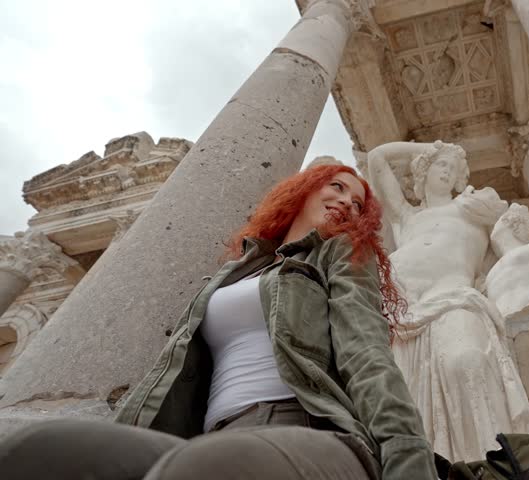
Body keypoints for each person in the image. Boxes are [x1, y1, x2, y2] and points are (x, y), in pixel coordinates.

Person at [0, 164, 437, 480]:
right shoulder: (235, 271)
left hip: (304, 425)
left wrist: (406, 453)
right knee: (44, 452)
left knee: (208, 470)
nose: (345, 201)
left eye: (357, 202)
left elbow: (367, 354)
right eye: (336, 186)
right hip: (207, 434)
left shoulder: (339, 254)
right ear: (302, 190)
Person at [366, 141, 529, 463]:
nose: (447, 172)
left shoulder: (475, 205)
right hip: (402, 313)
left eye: (453, 169)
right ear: (424, 169)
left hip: (455, 299)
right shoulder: (406, 217)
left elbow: (509, 233)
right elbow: (377, 158)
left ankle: (488, 465)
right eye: (440, 165)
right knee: (408, 404)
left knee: (467, 362)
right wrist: (428, 146)